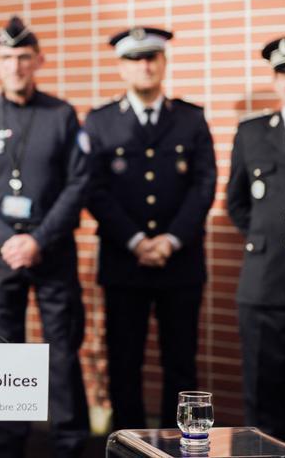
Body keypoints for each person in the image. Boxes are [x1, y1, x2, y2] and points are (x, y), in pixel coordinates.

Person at [0, 16, 89, 458]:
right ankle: (7, 443)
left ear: (39, 62)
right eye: (7, 58)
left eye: (24, 58)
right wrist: (5, 240)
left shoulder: (61, 114)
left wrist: (38, 239)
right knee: (3, 352)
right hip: (2, 255)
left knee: (62, 351)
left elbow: (78, 184)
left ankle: (70, 443)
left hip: (51, 250)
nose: (16, 66)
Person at [83, 26, 216, 431]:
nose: (144, 66)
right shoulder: (100, 122)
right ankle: (129, 446)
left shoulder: (191, 118)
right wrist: (138, 240)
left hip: (181, 261)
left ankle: (187, 445)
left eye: (151, 57)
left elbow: (204, 182)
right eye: (134, 59)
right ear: (122, 68)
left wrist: (171, 240)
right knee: (125, 362)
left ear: (163, 63)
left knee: (181, 362)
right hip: (125, 261)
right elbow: (93, 188)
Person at [227, 35, 285, 441]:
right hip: (265, 288)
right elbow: (237, 203)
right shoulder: (252, 133)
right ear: (276, 80)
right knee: (263, 401)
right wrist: (268, 243)